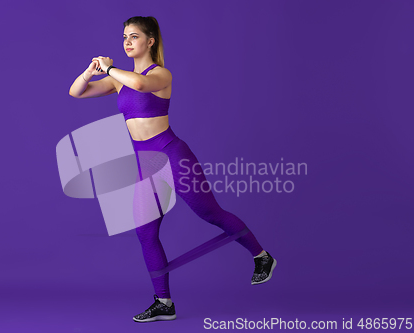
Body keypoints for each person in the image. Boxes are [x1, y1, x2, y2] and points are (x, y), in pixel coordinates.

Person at [68, 15, 277, 323]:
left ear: (150, 41)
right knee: (145, 232)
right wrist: (91, 70)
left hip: (171, 154)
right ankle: (163, 302)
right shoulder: (118, 80)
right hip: (144, 163)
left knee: (210, 214)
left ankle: (262, 257)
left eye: (134, 36)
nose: (127, 41)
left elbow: (139, 83)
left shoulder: (160, 74)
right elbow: (77, 92)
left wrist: (110, 68)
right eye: (124, 36)